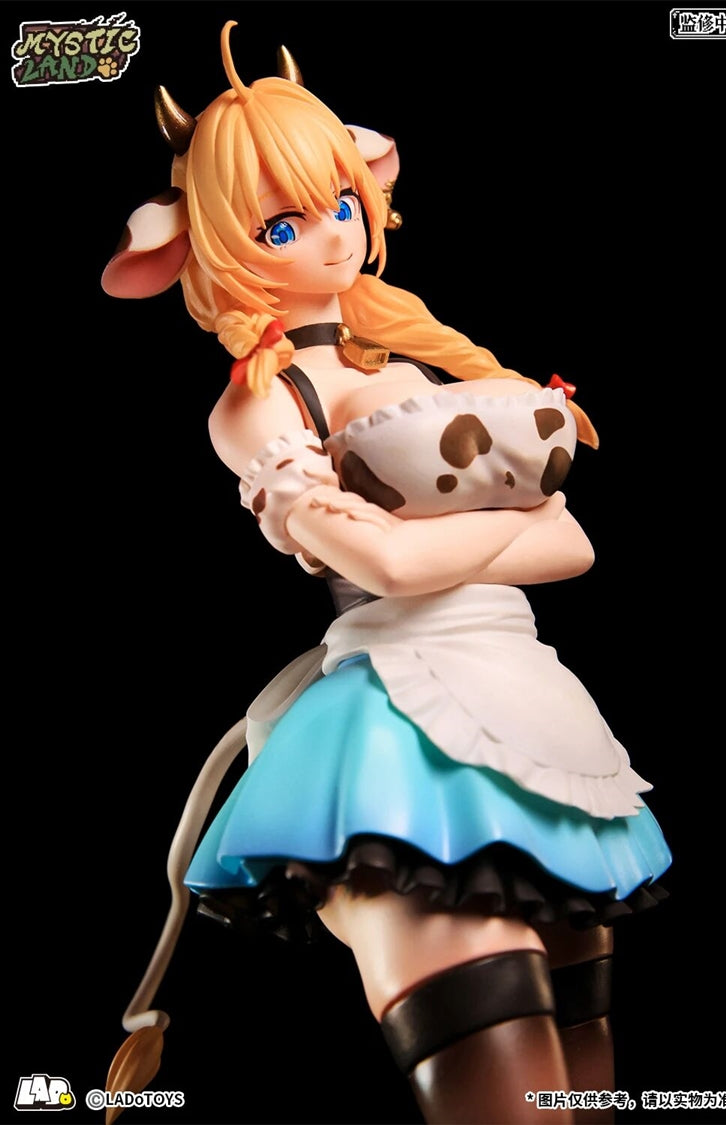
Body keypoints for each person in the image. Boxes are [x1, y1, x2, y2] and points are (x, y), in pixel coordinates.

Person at [102, 21, 671, 1124]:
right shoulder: (260, 406)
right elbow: (387, 562)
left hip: (529, 702)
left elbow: (575, 545)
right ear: (213, 244)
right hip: (399, 724)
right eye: (280, 224)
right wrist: (491, 534)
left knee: (580, 1061)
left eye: (338, 203)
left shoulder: (416, 369)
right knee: (495, 1042)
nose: (329, 235)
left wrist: (439, 551)